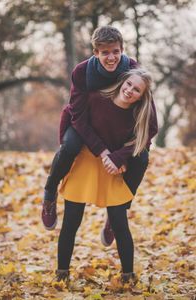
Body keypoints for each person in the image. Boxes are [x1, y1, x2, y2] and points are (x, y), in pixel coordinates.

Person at [42, 25, 157, 247]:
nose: (111, 57)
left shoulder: (133, 71)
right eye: (105, 53)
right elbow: (78, 116)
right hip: (82, 121)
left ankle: (119, 212)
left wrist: (120, 156)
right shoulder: (81, 72)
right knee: (69, 147)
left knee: (141, 158)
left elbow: (150, 125)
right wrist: (104, 152)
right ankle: (49, 193)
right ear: (95, 53)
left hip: (118, 128)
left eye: (115, 51)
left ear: (122, 49)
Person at [54, 68, 158, 285]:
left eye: (136, 90)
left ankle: (128, 275)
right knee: (71, 221)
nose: (130, 90)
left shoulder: (139, 114)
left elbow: (141, 141)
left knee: (120, 222)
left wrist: (119, 159)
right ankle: (61, 273)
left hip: (112, 166)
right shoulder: (96, 98)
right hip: (87, 157)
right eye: (129, 84)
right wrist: (63, 144)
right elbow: (71, 115)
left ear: (142, 96)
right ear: (123, 81)